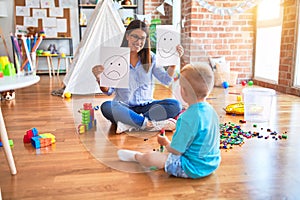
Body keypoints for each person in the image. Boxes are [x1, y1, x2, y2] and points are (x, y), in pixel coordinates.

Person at [117, 63, 221, 179]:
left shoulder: (186, 118)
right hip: (212, 164)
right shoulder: (212, 111)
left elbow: (176, 151)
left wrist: (166, 142)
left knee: (151, 157)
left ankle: (137, 157)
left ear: (184, 91)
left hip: (192, 167)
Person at [92, 20, 184, 133]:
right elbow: (108, 91)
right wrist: (99, 78)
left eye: (142, 38)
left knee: (175, 105)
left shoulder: (151, 58)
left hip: (147, 106)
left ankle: (129, 124)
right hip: (124, 107)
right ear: (127, 36)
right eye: (135, 36)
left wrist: (173, 62)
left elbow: (166, 80)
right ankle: (147, 124)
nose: (138, 41)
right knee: (107, 106)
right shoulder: (116, 58)